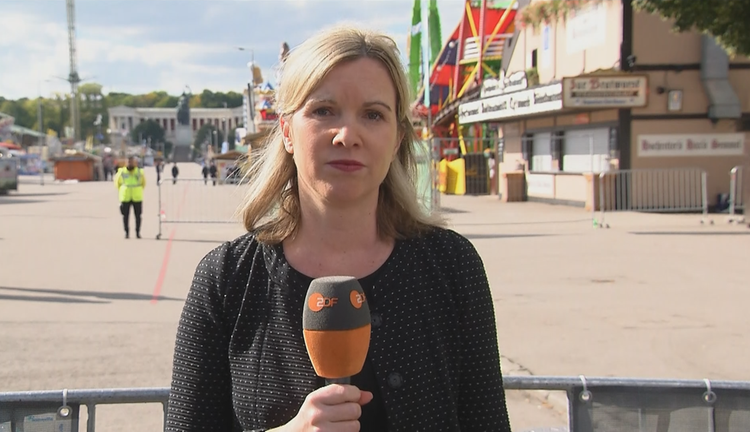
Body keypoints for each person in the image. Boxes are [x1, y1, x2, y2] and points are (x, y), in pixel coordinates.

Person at [166, 25, 511, 432]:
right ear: (287, 131)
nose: (348, 135)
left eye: (373, 114)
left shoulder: (453, 266)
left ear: (398, 138)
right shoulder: (226, 279)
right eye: (324, 110)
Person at [115, 156, 145, 239]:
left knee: (138, 216)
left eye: (131, 162)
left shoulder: (139, 172)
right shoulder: (121, 172)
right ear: (126, 162)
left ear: (135, 163)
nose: (130, 163)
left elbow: (143, 183)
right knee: (125, 216)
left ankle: (137, 232)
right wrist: (123, 191)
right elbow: (117, 183)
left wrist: (137, 190)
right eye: (128, 162)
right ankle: (126, 232)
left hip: (137, 197)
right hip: (125, 197)